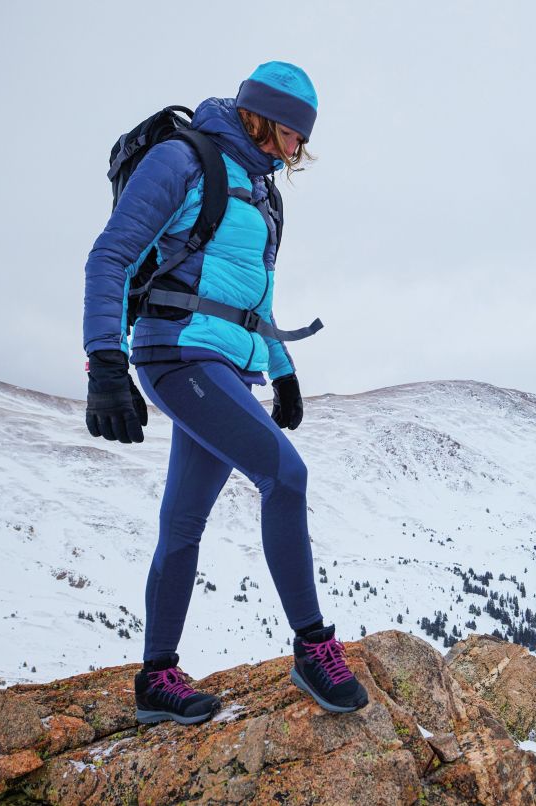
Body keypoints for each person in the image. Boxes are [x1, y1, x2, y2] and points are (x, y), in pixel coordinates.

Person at [82, 61, 369, 724]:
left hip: (226, 367)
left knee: (183, 523)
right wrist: (104, 362)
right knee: (286, 476)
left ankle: (157, 678)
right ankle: (312, 648)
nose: (301, 151)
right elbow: (111, 255)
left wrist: (283, 368)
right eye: (298, 135)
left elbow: (253, 300)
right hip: (176, 352)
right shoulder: (182, 160)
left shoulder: (265, 195)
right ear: (272, 120)